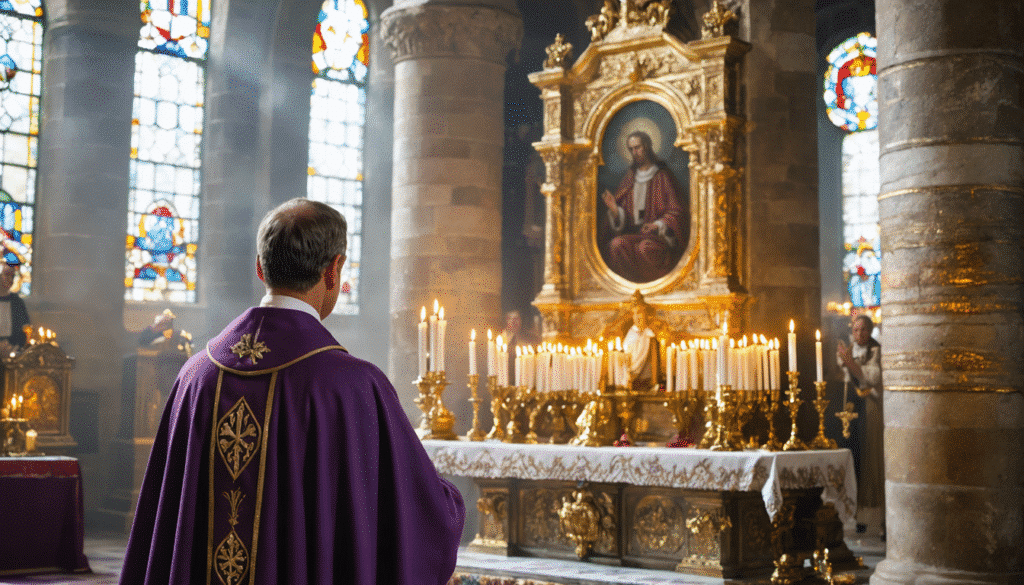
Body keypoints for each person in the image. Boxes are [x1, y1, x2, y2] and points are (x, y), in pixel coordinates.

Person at [120, 199, 465, 585]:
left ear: (259, 267)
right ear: (333, 270)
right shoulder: (351, 387)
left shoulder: (195, 377)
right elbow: (419, 517)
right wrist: (448, 502)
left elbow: (162, 525)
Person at [600, 131, 687, 283]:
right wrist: (615, 209)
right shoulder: (630, 178)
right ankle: (630, 288)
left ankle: (654, 290)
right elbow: (624, 217)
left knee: (645, 249)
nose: (635, 152)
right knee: (616, 245)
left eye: (638, 147)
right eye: (631, 149)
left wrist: (657, 225)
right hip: (634, 235)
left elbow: (677, 211)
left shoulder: (662, 176)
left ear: (646, 146)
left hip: (658, 238)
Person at [836, 313, 884, 539]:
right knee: (853, 458)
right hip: (851, 409)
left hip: (871, 409)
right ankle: (854, 514)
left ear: (870, 331)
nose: (859, 334)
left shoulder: (877, 351)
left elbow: (870, 379)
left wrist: (849, 362)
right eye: (855, 330)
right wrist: (846, 361)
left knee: (871, 460)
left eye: (864, 330)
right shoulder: (850, 351)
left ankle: (876, 517)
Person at [0, 262, 29, 354]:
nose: (10, 280)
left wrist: (14, 346)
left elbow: (25, 328)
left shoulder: (17, 302)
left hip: (12, 350)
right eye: (7, 275)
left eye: (12, 276)